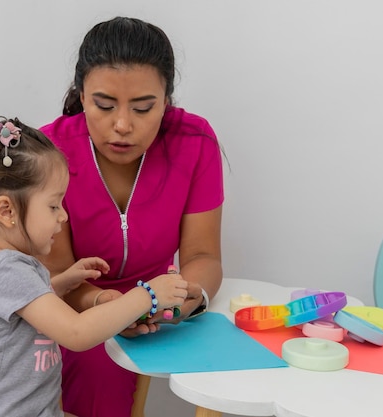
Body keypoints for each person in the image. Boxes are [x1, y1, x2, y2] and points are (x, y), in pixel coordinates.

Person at [0, 116, 187, 417]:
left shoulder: (1, 263)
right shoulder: (5, 270)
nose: (63, 217)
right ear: (7, 211)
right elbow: (77, 333)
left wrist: (62, 282)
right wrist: (148, 294)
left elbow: (18, 307)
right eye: (54, 206)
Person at [39, 16, 224, 417]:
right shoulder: (48, 152)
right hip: (61, 303)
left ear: (166, 101)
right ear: (82, 96)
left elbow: (203, 256)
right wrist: (110, 305)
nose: (122, 125)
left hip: (152, 302)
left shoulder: (195, 143)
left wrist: (189, 297)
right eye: (104, 105)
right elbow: (55, 278)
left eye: (143, 108)